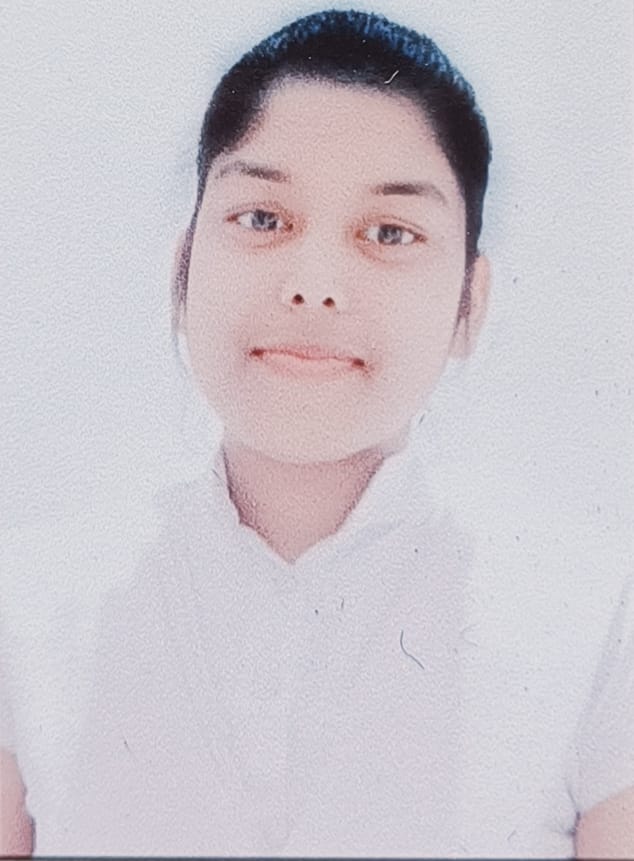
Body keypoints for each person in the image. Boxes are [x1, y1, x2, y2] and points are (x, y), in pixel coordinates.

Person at [1, 7, 633, 858]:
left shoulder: (596, 626)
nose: (315, 283)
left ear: (470, 304)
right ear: (182, 267)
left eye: (390, 232)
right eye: (264, 218)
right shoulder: (29, 609)